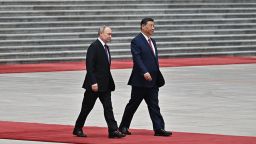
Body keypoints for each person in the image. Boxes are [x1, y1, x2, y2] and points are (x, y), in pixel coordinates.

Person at [119, 18, 172, 137]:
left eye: (154, 26)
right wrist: (144, 72)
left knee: (154, 105)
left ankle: (159, 128)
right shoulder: (136, 41)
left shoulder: (153, 41)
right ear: (143, 26)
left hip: (153, 80)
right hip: (140, 81)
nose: (153, 28)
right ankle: (123, 126)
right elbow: (137, 59)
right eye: (151, 25)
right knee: (133, 105)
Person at [73, 25, 125, 138]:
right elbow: (89, 66)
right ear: (101, 34)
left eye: (111, 34)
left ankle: (113, 130)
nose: (111, 36)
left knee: (108, 108)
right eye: (108, 34)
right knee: (86, 108)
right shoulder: (94, 46)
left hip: (105, 85)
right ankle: (77, 128)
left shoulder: (106, 47)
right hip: (94, 85)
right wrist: (93, 82)